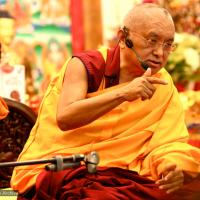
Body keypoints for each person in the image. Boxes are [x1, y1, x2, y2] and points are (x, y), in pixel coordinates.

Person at [11, 3, 200, 200]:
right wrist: (123, 93)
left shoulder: (163, 84)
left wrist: (171, 165)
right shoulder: (87, 65)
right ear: (123, 37)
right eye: (152, 41)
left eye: (168, 44)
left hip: (124, 174)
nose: (160, 53)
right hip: (67, 168)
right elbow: (65, 117)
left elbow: (169, 142)